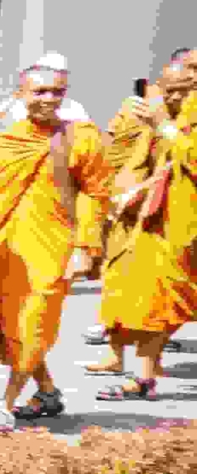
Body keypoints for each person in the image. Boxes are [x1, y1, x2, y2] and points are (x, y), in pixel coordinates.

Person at [0, 62, 110, 430]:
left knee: (34, 321)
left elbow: (95, 194)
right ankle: (47, 391)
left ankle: (4, 403)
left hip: (55, 247)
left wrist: (85, 246)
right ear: (21, 94)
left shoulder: (81, 137)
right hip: (9, 249)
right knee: (12, 322)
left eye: (57, 92)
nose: (49, 99)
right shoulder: (9, 140)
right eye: (39, 91)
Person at [91, 56, 197, 398]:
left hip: (187, 225)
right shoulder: (161, 116)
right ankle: (143, 376)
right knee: (151, 296)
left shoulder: (175, 121)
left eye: (184, 91)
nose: (174, 98)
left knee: (167, 296)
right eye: (169, 90)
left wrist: (164, 125)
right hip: (160, 221)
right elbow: (155, 165)